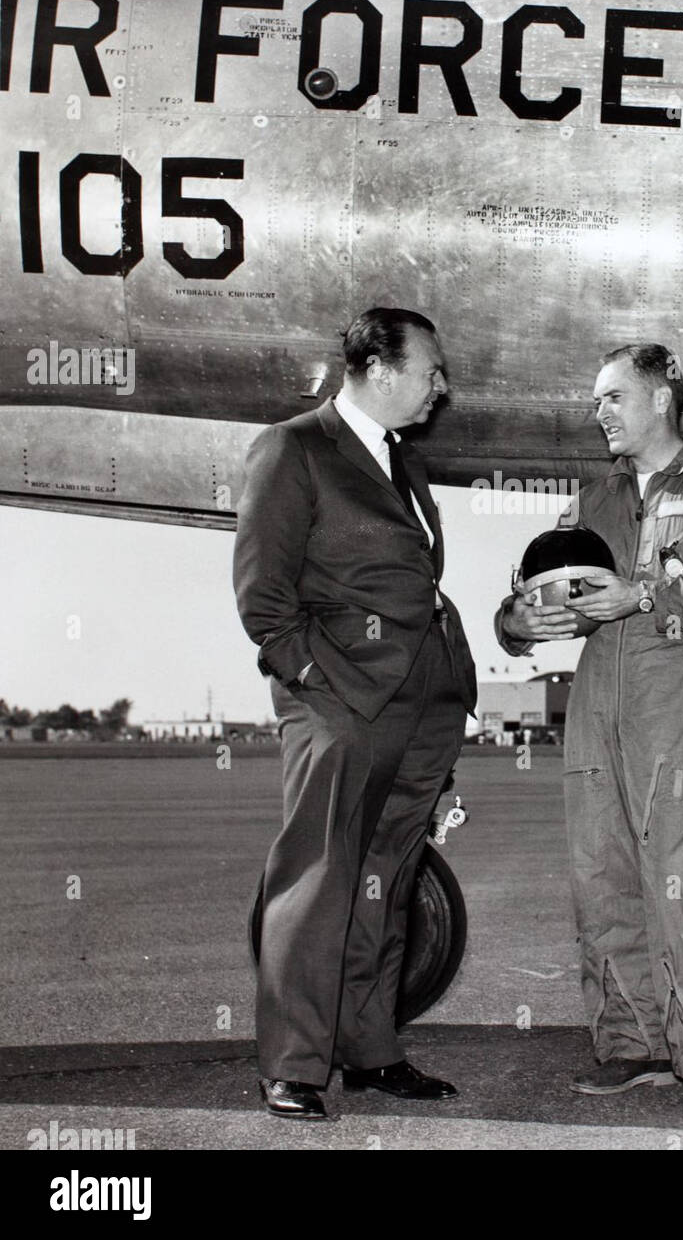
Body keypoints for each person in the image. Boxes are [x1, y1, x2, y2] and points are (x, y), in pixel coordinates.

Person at [495, 344, 683, 1112]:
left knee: (681, 883)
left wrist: (646, 595)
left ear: (661, 399)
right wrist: (519, 622)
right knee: (602, 880)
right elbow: (530, 591)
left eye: (614, 398)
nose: (601, 414)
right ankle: (630, 1047)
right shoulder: (591, 501)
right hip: (595, 710)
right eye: (597, 402)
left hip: (679, 706)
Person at [234, 307, 477, 1119]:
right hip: (340, 704)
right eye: (430, 370)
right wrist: (320, 687)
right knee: (316, 879)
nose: (441, 387)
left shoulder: (402, 463)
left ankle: (371, 1050)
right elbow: (264, 600)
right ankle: (294, 1065)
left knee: (387, 878)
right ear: (378, 367)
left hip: (421, 702)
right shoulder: (295, 449)